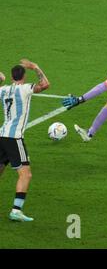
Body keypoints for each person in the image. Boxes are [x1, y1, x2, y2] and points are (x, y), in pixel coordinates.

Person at [0, 59, 50, 222]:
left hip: (2, 135)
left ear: (12, 76)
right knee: (25, 175)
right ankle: (16, 210)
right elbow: (45, 84)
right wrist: (36, 66)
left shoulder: (4, 90)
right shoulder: (25, 89)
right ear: (24, 76)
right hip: (14, 138)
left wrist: (1, 79)